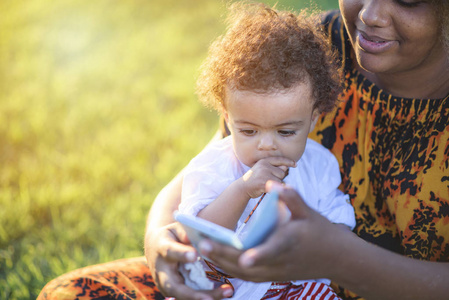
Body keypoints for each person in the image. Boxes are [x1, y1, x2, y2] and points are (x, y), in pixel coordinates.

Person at [38, 0, 449, 299]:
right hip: (235, 284)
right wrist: (161, 245)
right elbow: (205, 169)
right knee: (70, 294)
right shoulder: (319, 47)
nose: (370, 14)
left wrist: (338, 259)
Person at [176, 4, 355, 299]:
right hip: (223, 287)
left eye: (286, 132)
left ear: (313, 118)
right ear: (226, 115)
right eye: (248, 131)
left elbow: (339, 229)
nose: (267, 145)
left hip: (293, 286)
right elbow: (198, 232)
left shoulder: (319, 166)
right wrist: (243, 189)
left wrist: (310, 234)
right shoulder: (212, 166)